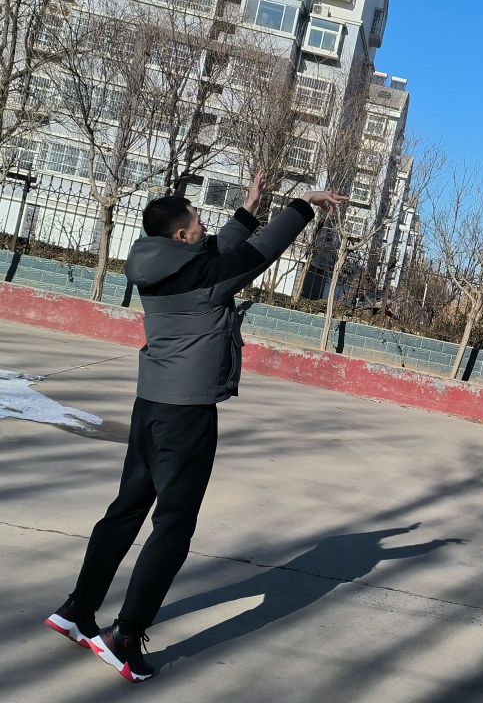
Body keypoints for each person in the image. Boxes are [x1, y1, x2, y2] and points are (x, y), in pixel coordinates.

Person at [44, 173, 343, 682]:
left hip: (151, 403)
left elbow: (214, 251)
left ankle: (77, 609)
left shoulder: (155, 260)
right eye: (198, 221)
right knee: (175, 524)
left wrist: (249, 208)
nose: (205, 225)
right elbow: (258, 253)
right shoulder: (205, 276)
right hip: (186, 412)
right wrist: (302, 205)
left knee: (126, 508)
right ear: (181, 236)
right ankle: (125, 637)